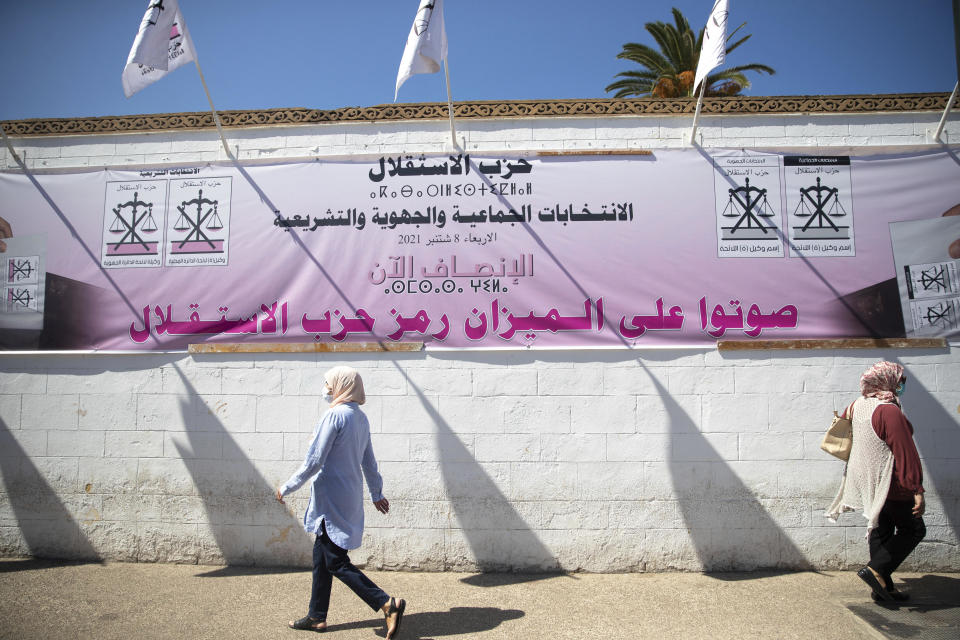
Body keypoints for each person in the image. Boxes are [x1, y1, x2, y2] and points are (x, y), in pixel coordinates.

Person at [276, 366, 405, 636]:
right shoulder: (361, 418)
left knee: (334, 560)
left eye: (329, 384)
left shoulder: (334, 416)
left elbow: (315, 460)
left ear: (341, 385)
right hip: (349, 495)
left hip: (331, 497)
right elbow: (369, 462)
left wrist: (288, 486)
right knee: (321, 557)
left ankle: (386, 602)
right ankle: (316, 616)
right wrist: (376, 493)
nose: (326, 388)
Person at [827, 361, 925, 602]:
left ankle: (882, 588)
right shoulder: (888, 411)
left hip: (867, 480)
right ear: (888, 381)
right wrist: (916, 488)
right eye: (900, 380)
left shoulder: (857, 405)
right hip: (889, 481)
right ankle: (876, 570)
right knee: (913, 529)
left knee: (881, 530)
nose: (902, 385)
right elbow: (904, 451)